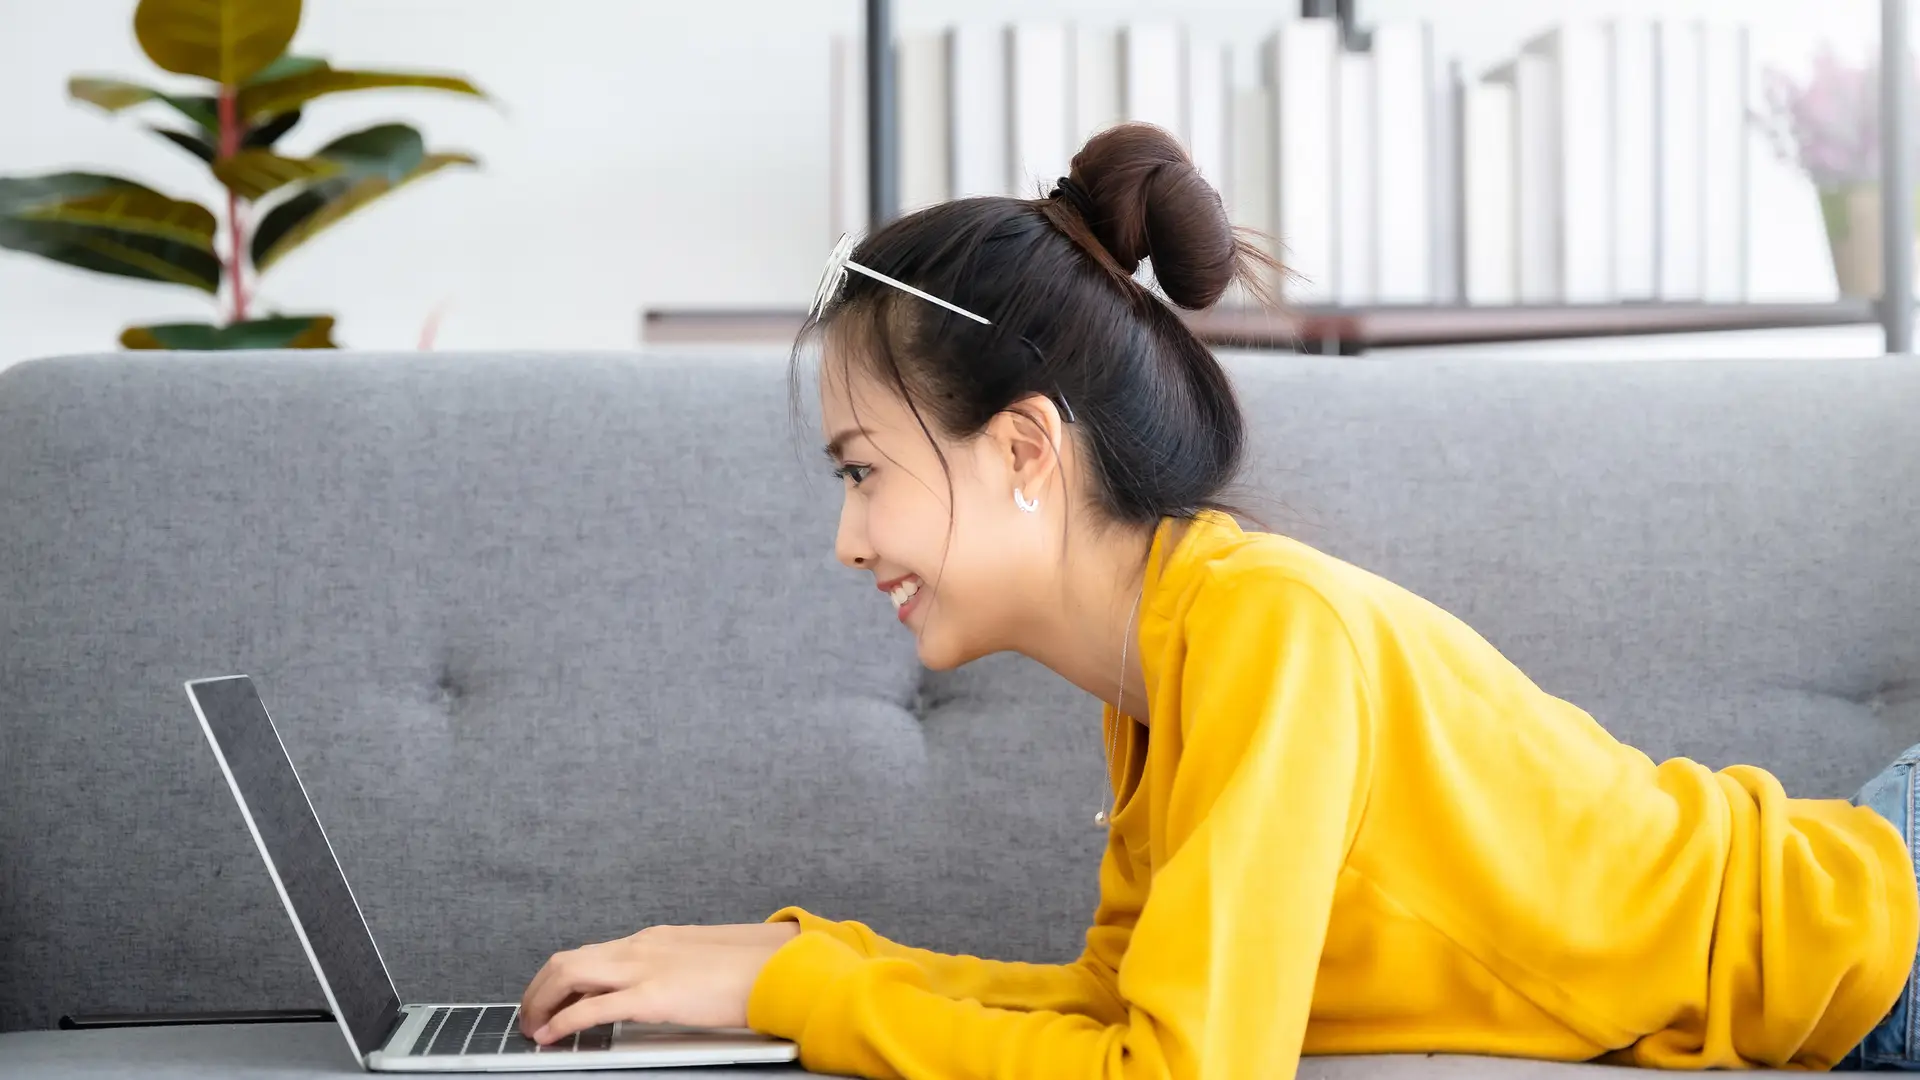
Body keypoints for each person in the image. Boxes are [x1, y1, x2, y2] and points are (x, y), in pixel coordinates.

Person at [515, 123, 1920, 1078]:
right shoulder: (1164, 668)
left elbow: (1178, 1070)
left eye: (863, 472)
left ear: (1024, 448)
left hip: (1884, 945)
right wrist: (804, 961)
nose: (846, 539)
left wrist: (800, 998)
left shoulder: (1265, 633)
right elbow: (1115, 1013)